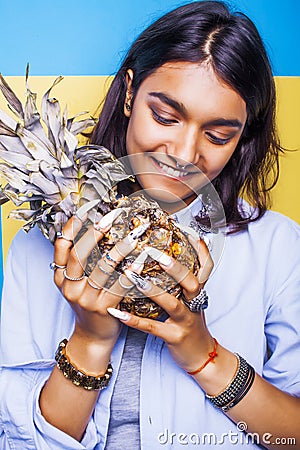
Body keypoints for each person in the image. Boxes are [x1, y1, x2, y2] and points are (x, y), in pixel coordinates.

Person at [1, 1, 299, 449]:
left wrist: (202, 352)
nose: (183, 151)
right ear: (128, 93)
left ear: (242, 138)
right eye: (164, 115)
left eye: (218, 136)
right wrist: (90, 339)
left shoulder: (278, 246)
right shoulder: (39, 248)